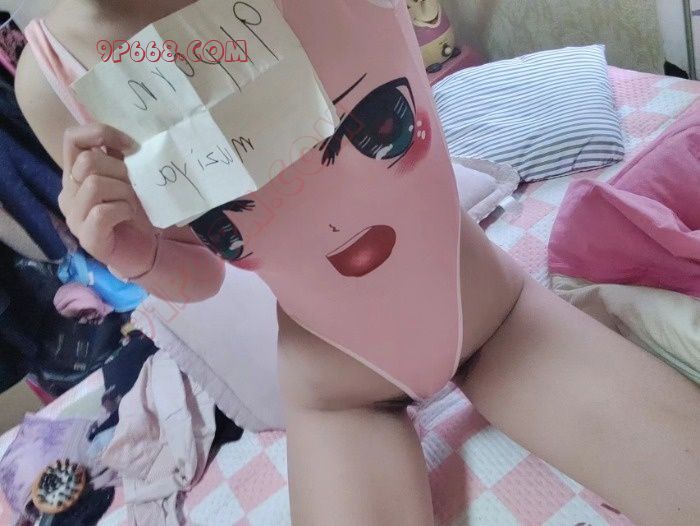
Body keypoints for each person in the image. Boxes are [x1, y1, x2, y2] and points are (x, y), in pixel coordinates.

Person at [15, 1, 700, 525]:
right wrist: (135, 255)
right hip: (338, 387)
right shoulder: (52, 82)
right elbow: (204, 273)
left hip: (491, 315)